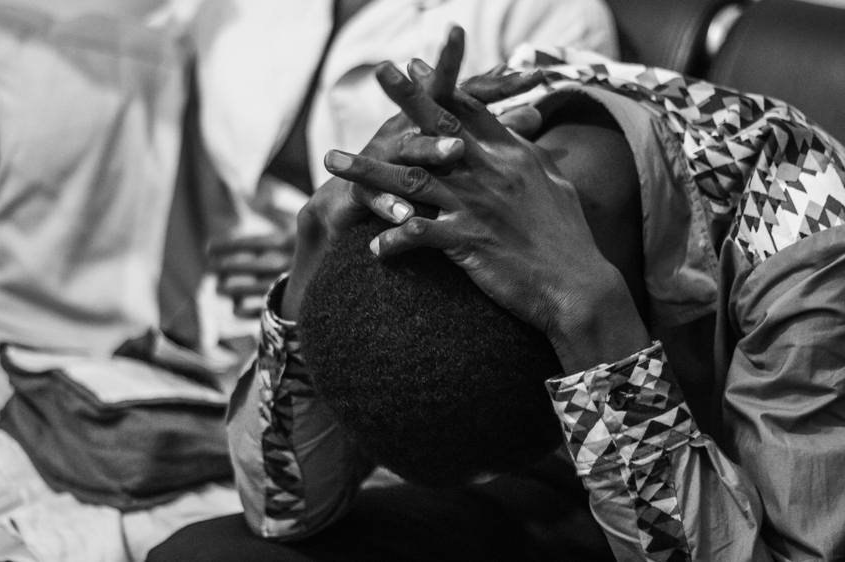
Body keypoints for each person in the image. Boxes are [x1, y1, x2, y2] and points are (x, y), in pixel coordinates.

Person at [0, 2, 619, 562]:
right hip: (189, 349)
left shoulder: (542, 17)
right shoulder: (243, 12)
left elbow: (522, 232)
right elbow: (108, 84)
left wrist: (313, 260)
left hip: (365, 381)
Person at [154, 26, 845, 561]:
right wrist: (317, 236)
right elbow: (283, 508)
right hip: (561, 493)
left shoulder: (808, 228)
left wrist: (589, 310)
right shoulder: (475, 123)